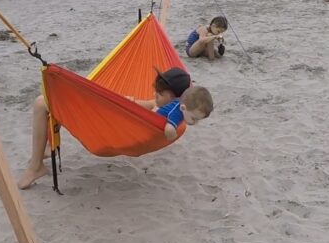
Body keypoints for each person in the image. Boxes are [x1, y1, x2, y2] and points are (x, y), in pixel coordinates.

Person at [17, 68, 212, 189]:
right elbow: (147, 103)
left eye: (160, 93)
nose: (156, 95)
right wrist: (127, 102)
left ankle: (36, 167)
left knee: (42, 102)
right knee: (49, 103)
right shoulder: (172, 107)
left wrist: (121, 108)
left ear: (176, 99)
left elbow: (148, 113)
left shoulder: (171, 116)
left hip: (103, 130)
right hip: (112, 122)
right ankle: (42, 151)